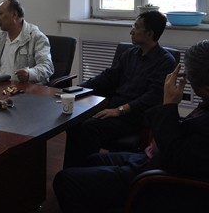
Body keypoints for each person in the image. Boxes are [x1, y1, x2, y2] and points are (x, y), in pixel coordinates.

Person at [53, 39, 209, 213]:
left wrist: (169, 105)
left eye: (189, 79)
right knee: (92, 160)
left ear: (208, 90)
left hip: (164, 181)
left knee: (65, 180)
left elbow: (175, 158)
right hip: (156, 159)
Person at [62, 10, 176, 168]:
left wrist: (120, 110)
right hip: (113, 108)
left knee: (89, 127)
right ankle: (70, 174)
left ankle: (84, 174)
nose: (131, 31)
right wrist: (76, 89)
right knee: (74, 123)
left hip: (134, 116)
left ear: (149, 34)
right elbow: (107, 77)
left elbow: (152, 97)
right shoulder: (130, 54)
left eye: (136, 27)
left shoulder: (165, 61)